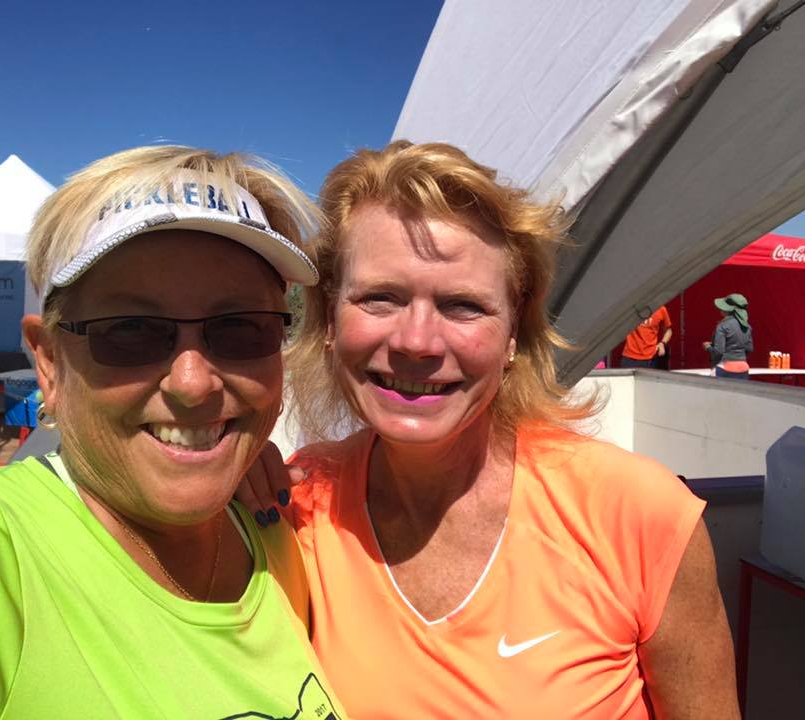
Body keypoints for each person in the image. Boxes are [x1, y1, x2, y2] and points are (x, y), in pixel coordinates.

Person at [244, 141, 738, 718]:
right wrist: (228, 475)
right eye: (380, 298)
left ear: (512, 336)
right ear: (330, 319)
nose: (416, 342)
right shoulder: (294, 508)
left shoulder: (638, 514)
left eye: (462, 306)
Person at [0, 147, 346, 720]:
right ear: (49, 363)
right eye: (131, 331)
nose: (194, 384)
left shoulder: (274, 534)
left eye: (241, 328)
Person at [703, 293, 753, 380]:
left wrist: (708, 347)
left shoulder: (722, 326)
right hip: (743, 368)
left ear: (727, 310)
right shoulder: (747, 327)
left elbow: (719, 351)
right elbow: (749, 349)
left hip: (724, 368)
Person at [621, 305, 672, 369]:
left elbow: (668, 330)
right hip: (630, 357)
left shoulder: (661, 308)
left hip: (651, 358)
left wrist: (662, 343)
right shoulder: (632, 306)